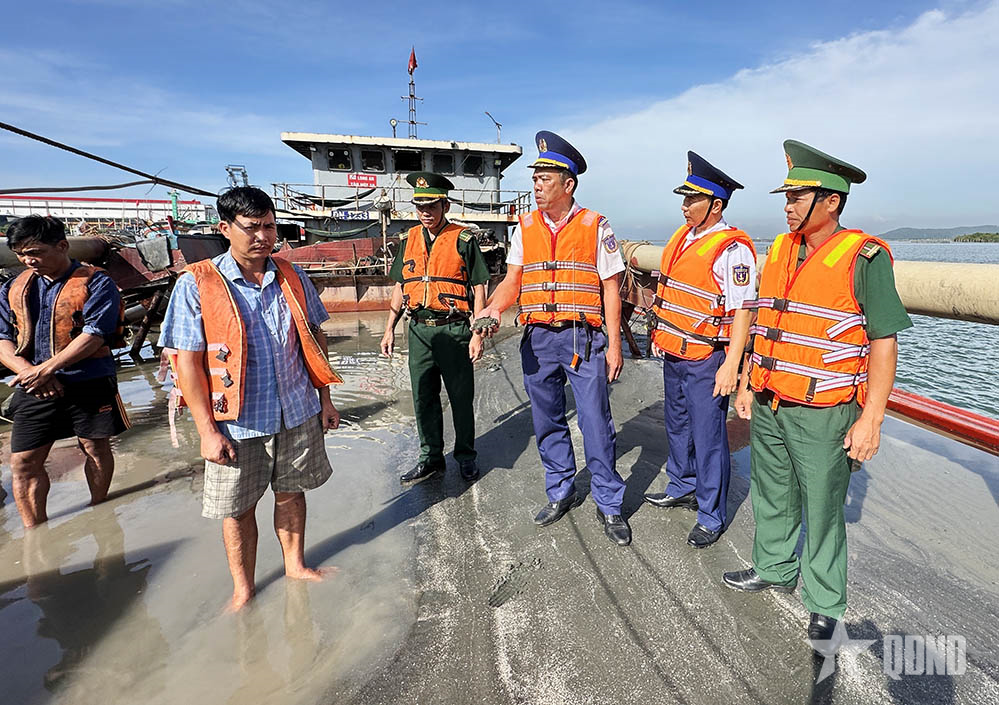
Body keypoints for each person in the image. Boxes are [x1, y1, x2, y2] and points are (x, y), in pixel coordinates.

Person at [722, 140, 912, 646]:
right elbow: (766, 320)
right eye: (785, 197)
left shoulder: (864, 257)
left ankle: (825, 602)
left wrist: (871, 418)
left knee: (825, 509)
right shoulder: (781, 248)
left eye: (797, 196)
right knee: (771, 492)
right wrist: (745, 382)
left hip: (824, 411)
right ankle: (774, 568)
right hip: (769, 399)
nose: (786, 206)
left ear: (831, 200)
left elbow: (883, 341)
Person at [158, 187, 342, 612]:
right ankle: (244, 590)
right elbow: (187, 363)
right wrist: (206, 431)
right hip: (235, 420)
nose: (263, 236)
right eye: (252, 227)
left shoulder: (292, 276)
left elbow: (315, 339)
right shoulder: (198, 283)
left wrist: (326, 400)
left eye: (270, 226)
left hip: (297, 410)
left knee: (293, 493)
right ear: (225, 229)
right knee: (237, 509)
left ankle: (295, 567)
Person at [478, 131, 631, 546]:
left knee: (596, 422)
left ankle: (609, 504)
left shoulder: (596, 226)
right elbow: (513, 281)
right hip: (538, 340)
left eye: (545, 177)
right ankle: (561, 490)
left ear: (569, 184)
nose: (537, 184)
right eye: (536, 176)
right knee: (546, 421)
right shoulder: (523, 227)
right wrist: (493, 308)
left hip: (584, 340)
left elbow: (612, 287)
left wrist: (615, 345)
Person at [643, 152, 756, 548]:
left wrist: (733, 366)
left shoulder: (732, 250)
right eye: (684, 198)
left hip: (708, 357)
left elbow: (743, 311)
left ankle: (711, 513)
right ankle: (682, 484)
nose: (684, 206)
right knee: (677, 424)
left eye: (692, 200)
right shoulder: (681, 238)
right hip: (674, 351)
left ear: (716, 204)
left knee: (709, 435)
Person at [0, 215, 128, 528]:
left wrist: (46, 370)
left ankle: (101, 512)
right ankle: (35, 533)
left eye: (36, 252)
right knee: (24, 462)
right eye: (20, 254)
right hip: (33, 386)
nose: (29, 260)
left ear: (62, 245)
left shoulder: (96, 281)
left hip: (89, 381)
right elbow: (2, 338)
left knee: (94, 447)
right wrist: (31, 373)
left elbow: (95, 334)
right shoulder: (12, 288)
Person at [380, 171, 488, 484]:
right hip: (418, 331)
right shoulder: (407, 239)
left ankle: (466, 456)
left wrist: (477, 333)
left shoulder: (464, 239)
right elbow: (402, 285)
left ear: (445, 206)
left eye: (432, 206)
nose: (425, 212)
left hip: (454, 330)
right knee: (422, 397)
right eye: (420, 206)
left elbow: (479, 286)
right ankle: (431, 458)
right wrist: (389, 329)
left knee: (460, 396)